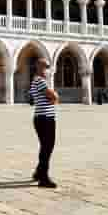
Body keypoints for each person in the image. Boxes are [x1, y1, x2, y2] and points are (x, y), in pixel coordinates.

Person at [28, 57, 59, 188]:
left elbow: (31, 99)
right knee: (47, 147)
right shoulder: (40, 81)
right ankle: (43, 178)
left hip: (42, 117)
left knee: (45, 146)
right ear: (39, 67)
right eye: (46, 66)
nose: (48, 69)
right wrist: (54, 96)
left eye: (48, 66)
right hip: (45, 118)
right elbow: (54, 97)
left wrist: (52, 96)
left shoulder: (35, 81)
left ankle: (38, 172)